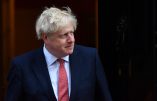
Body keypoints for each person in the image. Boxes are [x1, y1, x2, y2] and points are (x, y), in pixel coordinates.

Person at [5, 6, 112, 101]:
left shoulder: (90, 57)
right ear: (45, 37)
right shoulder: (22, 65)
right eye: (64, 35)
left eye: (72, 33)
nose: (72, 40)